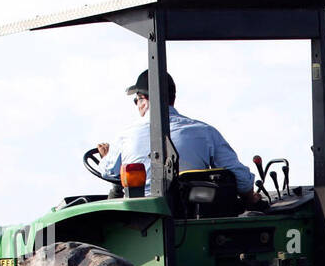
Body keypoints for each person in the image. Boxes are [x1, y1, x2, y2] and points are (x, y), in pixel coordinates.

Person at [97, 70, 254, 195]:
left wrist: (105, 157)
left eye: (136, 101)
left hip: (142, 217)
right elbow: (242, 181)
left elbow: (108, 171)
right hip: (196, 211)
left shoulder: (127, 136)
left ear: (144, 100)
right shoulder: (206, 132)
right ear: (172, 98)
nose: (137, 106)